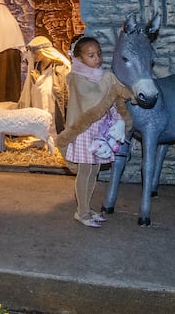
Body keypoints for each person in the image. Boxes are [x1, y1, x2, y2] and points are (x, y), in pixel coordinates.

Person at [62, 35, 128, 228]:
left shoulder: (98, 75)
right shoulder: (76, 78)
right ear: (79, 58)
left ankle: (86, 207)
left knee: (94, 169)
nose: (97, 58)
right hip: (84, 130)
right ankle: (81, 211)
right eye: (91, 55)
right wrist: (110, 85)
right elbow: (95, 99)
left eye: (99, 54)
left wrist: (117, 118)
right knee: (85, 170)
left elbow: (110, 100)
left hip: (98, 130)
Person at [18, 35, 70, 133]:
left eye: (36, 53)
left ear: (44, 51)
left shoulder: (58, 66)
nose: (34, 56)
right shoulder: (37, 65)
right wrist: (36, 83)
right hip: (39, 101)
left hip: (52, 102)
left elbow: (63, 88)